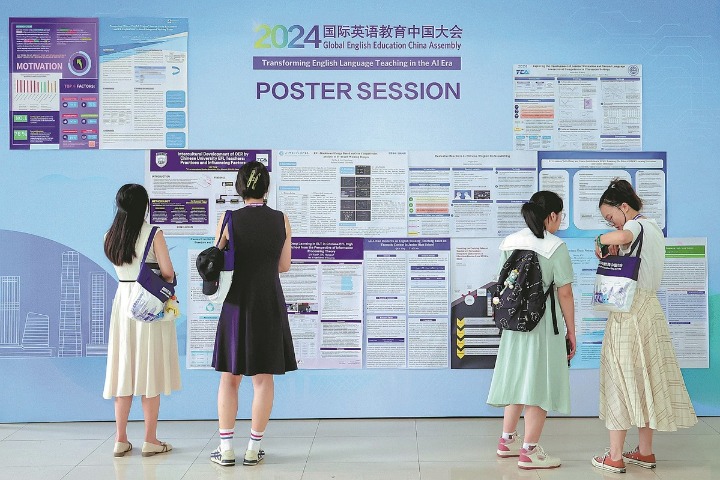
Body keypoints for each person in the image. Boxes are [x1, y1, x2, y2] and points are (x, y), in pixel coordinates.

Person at [591, 179, 697, 473]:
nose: (611, 223)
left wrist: (601, 240)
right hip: (650, 309)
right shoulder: (654, 228)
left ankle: (614, 456)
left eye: (610, 217)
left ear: (624, 207)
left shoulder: (635, 226)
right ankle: (645, 452)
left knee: (619, 378)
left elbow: (623, 234)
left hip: (628, 311)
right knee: (644, 378)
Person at [210, 161, 297, 467]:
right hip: (269, 301)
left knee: (229, 378)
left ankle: (226, 449)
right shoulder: (281, 219)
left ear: (240, 188)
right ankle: (252, 449)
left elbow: (216, 260)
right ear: (266, 188)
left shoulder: (229, 219)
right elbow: (284, 266)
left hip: (237, 302)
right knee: (263, 379)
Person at [487, 190, 576, 470]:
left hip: (514, 324)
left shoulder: (510, 242)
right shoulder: (555, 246)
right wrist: (571, 331)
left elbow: (503, 283)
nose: (560, 221)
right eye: (560, 216)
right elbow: (565, 293)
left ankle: (507, 441)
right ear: (552, 215)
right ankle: (530, 452)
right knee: (540, 384)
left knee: (517, 377)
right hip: (543, 325)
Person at [103, 184, 181, 457]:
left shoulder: (110, 236)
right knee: (150, 370)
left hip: (123, 301)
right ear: (144, 206)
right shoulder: (153, 233)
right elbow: (168, 272)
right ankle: (150, 440)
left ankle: (120, 439)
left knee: (124, 369)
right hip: (147, 302)